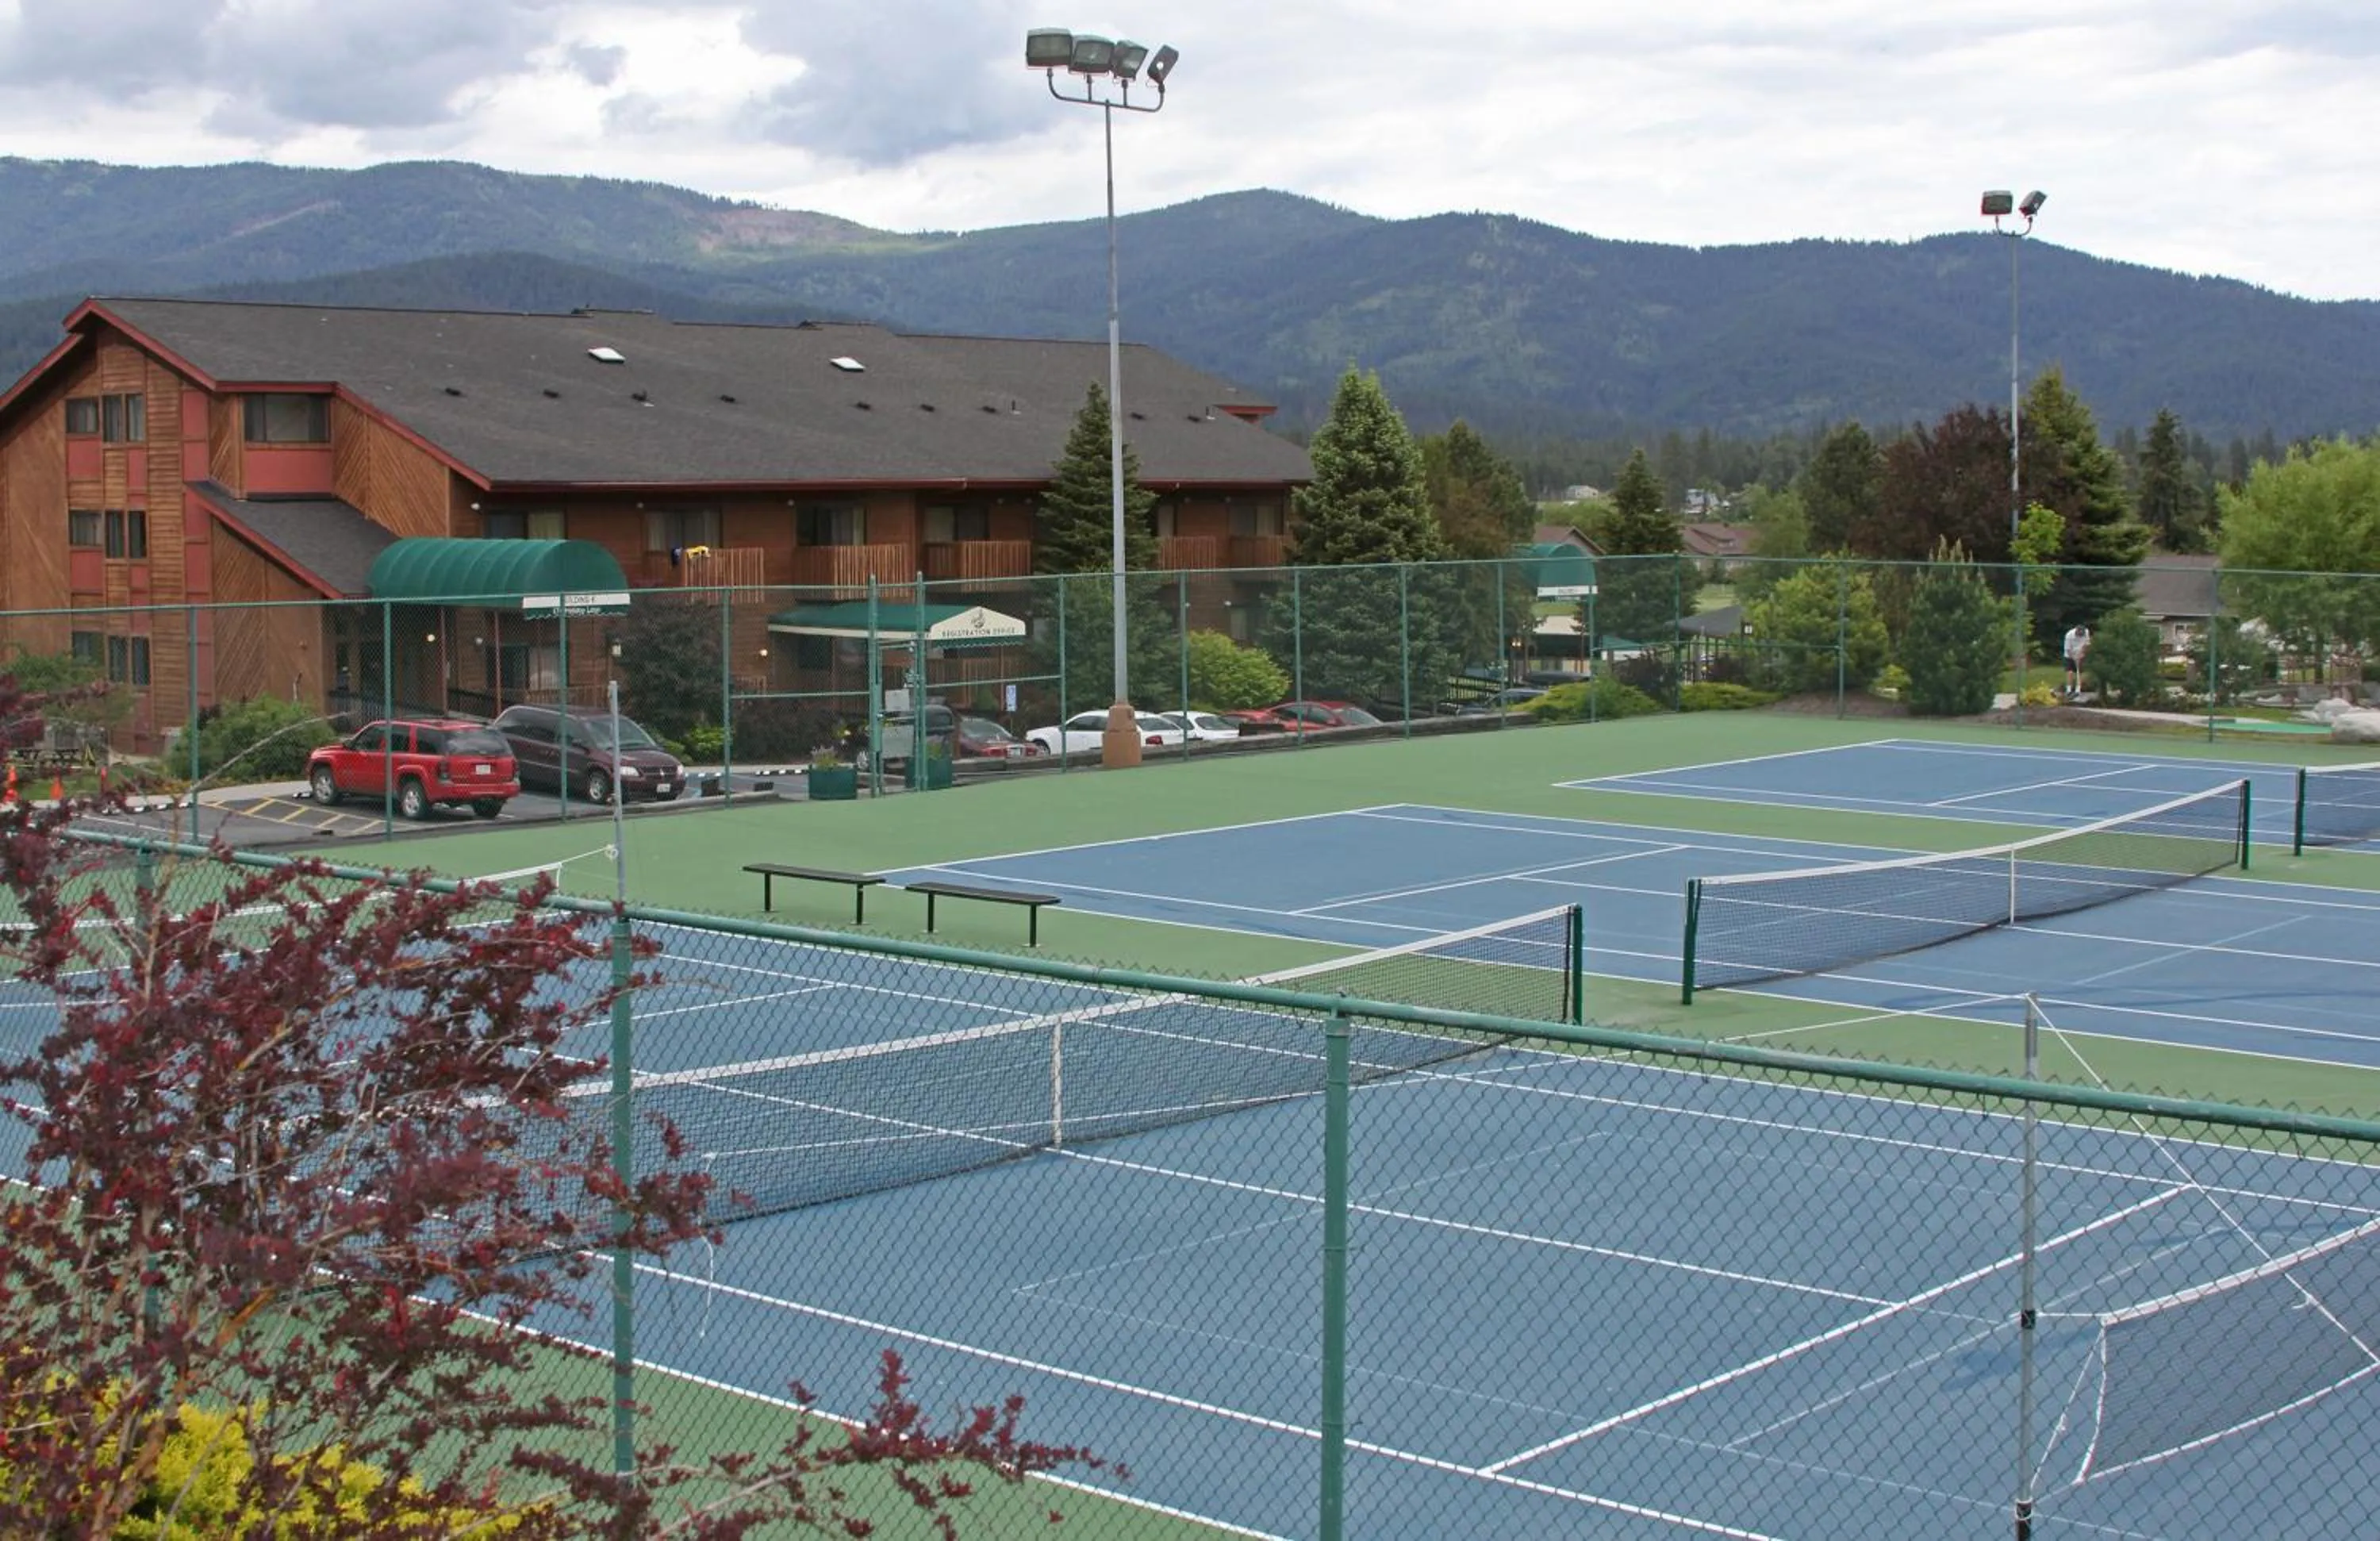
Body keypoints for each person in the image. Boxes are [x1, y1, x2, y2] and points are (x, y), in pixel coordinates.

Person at [2062, 624, 2091, 696]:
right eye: (2079, 634)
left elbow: (2087, 644)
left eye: (2082, 634)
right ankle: (2069, 690)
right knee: (2070, 672)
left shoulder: (2086, 632)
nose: (2081, 636)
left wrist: (2082, 654)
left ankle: (2078, 690)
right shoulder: (2069, 635)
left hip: (2080, 654)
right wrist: (2074, 658)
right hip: (2069, 655)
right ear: (2076, 631)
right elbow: (2068, 650)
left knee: (2080, 672)